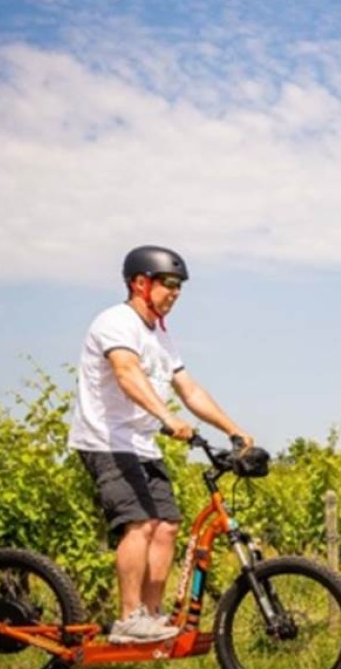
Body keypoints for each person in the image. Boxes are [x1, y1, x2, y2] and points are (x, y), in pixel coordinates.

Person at [69, 246, 253, 644]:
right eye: (169, 284)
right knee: (140, 523)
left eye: (180, 286)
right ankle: (128, 618)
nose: (176, 292)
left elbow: (188, 388)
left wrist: (233, 429)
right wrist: (167, 419)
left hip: (142, 444)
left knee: (167, 527)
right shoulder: (115, 322)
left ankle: (151, 617)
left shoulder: (161, 334)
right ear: (140, 282)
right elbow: (126, 373)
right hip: (106, 440)